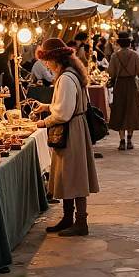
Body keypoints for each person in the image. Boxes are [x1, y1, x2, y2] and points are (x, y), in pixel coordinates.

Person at [35, 38, 99, 236]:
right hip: (74, 128)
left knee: (75, 176)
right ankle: (68, 217)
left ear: (55, 59)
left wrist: (43, 122)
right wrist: (47, 106)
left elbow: (64, 112)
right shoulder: (70, 75)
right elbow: (66, 105)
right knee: (68, 176)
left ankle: (80, 222)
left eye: (47, 60)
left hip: (71, 130)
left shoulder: (65, 78)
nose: (46, 64)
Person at [108, 32, 139, 150]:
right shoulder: (134, 55)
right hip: (131, 84)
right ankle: (129, 140)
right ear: (129, 43)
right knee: (131, 110)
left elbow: (111, 73)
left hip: (119, 85)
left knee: (120, 111)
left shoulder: (114, 56)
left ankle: (122, 140)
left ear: (119, 43)